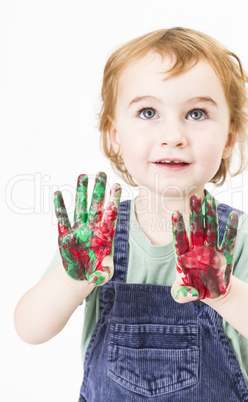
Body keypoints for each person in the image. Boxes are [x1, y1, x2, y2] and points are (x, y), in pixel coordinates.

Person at [14, 27, 248, 401]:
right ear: (114, 135)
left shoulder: (237, 237)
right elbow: (29, 329)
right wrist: (74, 280)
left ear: (230, 137)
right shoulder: (94, 239)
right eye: (149, 112)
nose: (173, 135)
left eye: (197, 113)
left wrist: (224, 294)